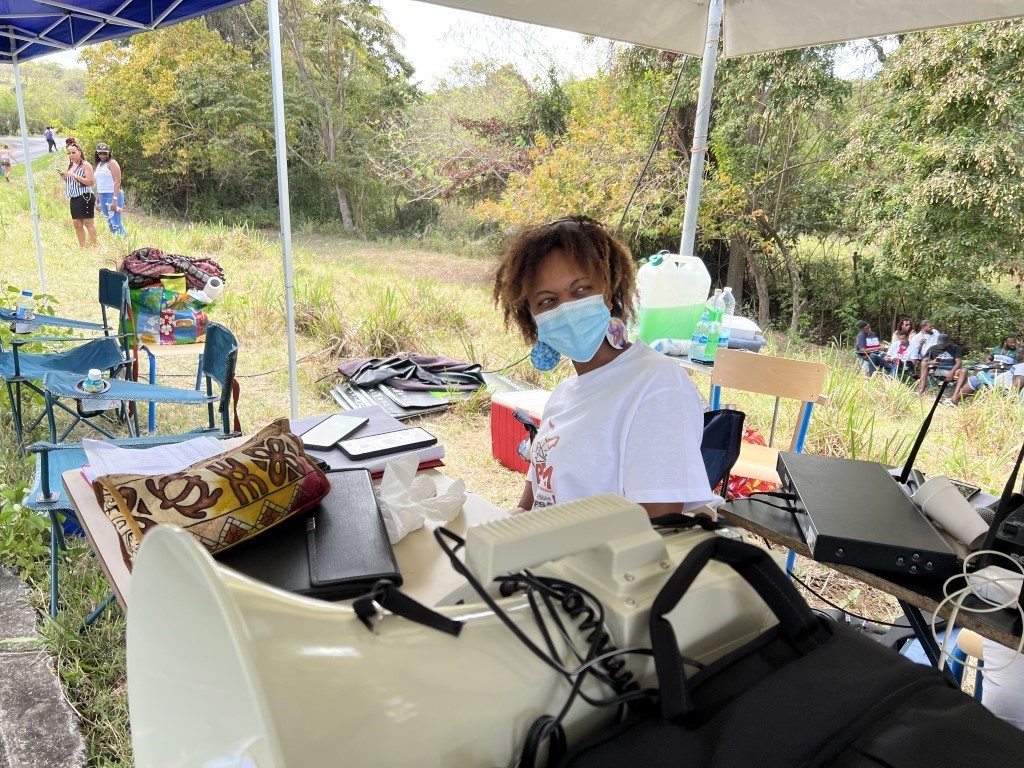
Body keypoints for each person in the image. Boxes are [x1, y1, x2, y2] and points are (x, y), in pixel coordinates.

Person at [492, 215, 716, 518]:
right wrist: (512, 522)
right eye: (547, 301)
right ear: (532, 318)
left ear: (608, 293)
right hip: (543, 543)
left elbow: (656, 522)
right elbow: (533, 499)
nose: (567, 307)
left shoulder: (657, 383)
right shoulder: (562, 396)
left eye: (581, 290)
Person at [60, 138, 97, 247]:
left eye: (73, 152)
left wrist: (75, 176)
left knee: (88, 222)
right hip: (74, 196)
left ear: (79, 152)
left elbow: (91, 182)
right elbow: (72, 182)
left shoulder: (85, 165)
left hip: (85, 196)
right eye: (69, 153)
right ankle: (82, 246)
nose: (71, 155)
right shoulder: (72, 165)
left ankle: (95, 246)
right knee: (77, 223)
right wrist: (65, 177)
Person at [93, 142, 127, 236]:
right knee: (110, 223)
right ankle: (116, 242)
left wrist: (114, 200)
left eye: (105, 153)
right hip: (102, 195)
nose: (102, 155)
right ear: (97, 153)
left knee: (116, 223)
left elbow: (117, 182)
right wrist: (97, 201)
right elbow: (99, 183)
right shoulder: (99, 164)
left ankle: (125, 242)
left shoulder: (112, 163)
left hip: (112, 195)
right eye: (100, 153)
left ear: (109, 153)